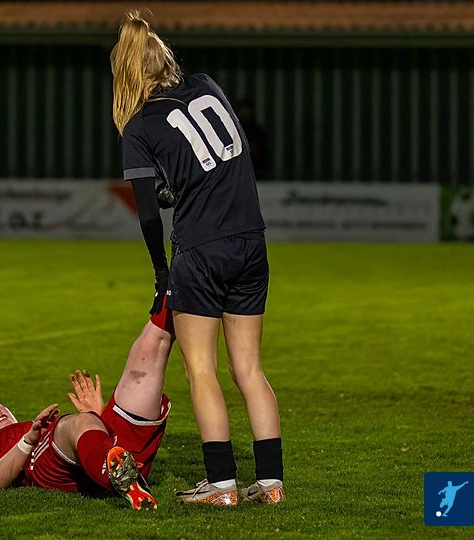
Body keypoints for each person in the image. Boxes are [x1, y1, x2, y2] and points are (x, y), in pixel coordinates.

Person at [111, 11, 284, 506]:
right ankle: (271, 483)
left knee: (200, 370)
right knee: (249, 369)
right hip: (251, 239)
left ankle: (221, 485)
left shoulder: (139, 125)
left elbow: (148, 215)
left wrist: (160, 272)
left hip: (201, 249)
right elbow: (228, 154)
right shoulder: (207, 84)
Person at [0, 320, 175, 510]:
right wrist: (28, 441)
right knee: (75, 422)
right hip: (48, 464)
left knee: (152, 344)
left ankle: (173, 291)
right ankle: (118, 474)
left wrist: (99, 417)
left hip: (95, 455)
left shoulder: (29, 427)